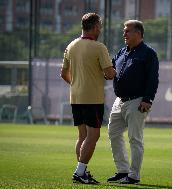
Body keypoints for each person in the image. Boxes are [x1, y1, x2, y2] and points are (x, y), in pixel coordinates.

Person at [60, 13, 116, 184]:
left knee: (82, 136)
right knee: (93, 136)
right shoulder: (99, 47)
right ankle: (79, 172)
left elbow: (63, 74)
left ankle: (82, 172)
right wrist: (113, 71)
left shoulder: (71, 45)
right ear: (94, 26)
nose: (101, 28)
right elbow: (109, 73)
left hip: (75, 97)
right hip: (92, 98)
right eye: (100, 25)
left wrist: (77, 85)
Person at [107, 20, 159, 184]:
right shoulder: (122, 51)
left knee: (135, 139)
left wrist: (148, 99)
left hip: (137, 101)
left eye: (127, 31)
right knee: (113, 134)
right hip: (119, 101)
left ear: (138, 33)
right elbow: (110, 69)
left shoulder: (148, 53)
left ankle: (134, 176)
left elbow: (153, 78)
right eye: (124, 31)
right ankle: (123, 171)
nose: (124, 34)